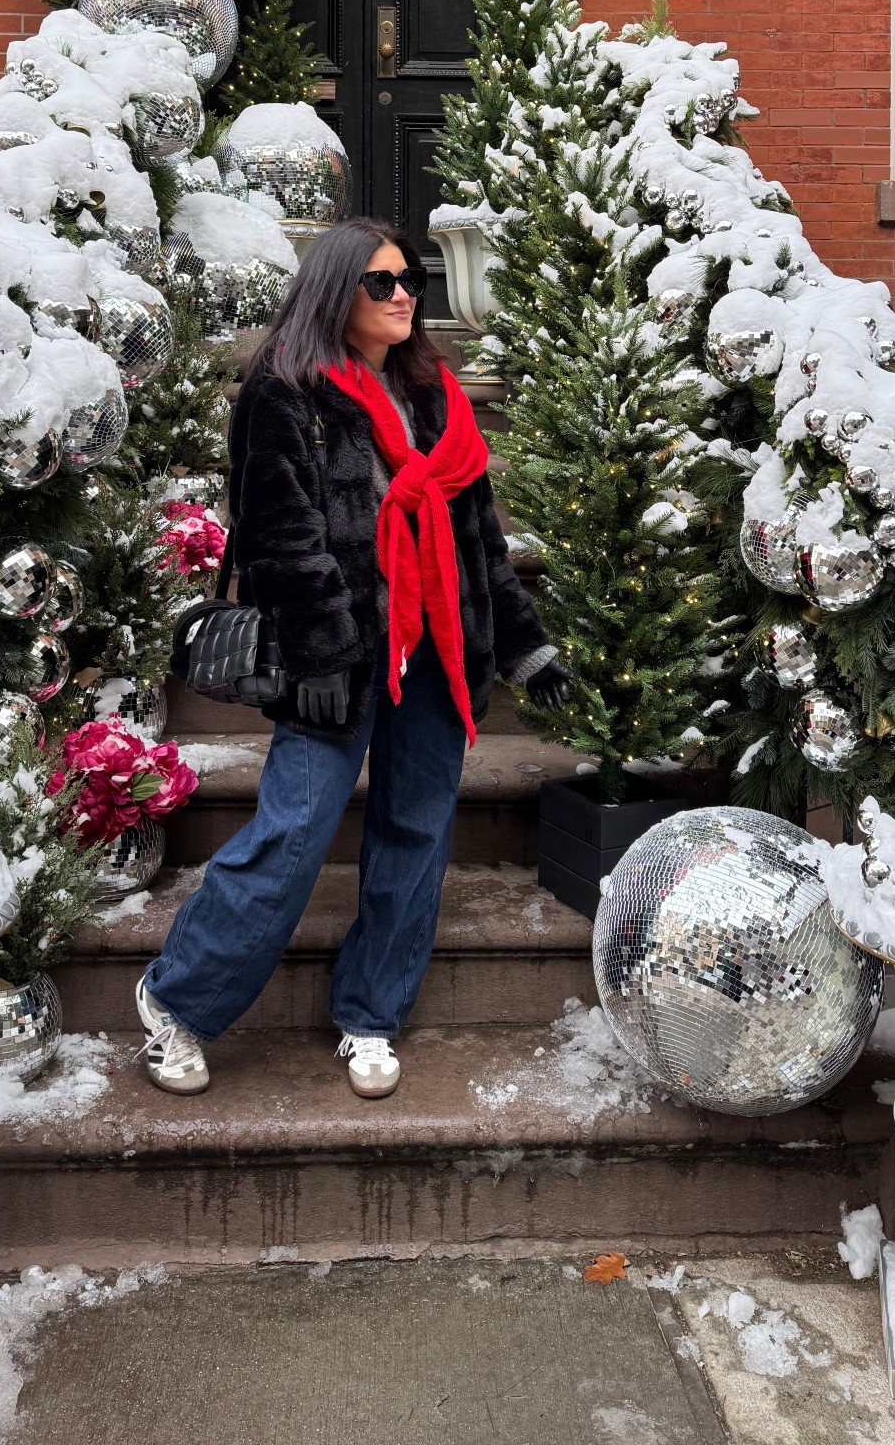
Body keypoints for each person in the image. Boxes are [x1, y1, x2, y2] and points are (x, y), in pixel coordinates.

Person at [137, 217, 572, 1099]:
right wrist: (326, 654)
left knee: (415, 835)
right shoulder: (283, 394)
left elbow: (478, 540)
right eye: (382, 282)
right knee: (294, 835)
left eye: (410, 278)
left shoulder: (438, 398)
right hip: (335, 661)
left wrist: (526, 651)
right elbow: (281, 542)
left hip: (437, 653)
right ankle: (178, 1001)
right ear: (338, 291)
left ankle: (372, 1012)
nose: (406, 292)